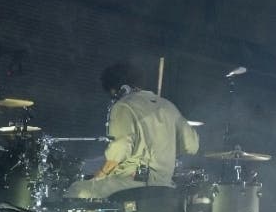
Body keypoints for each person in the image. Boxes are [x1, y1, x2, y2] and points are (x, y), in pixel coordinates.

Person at [66, 61, 199, 200]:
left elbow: (121, 148)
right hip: (164, 187)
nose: (113, 98)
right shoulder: (169, 107)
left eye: (113, 94)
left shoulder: (124, 106)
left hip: (132, 186)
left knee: (77, 189)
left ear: (123, 89)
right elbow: (192, 146)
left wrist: (99, 175)